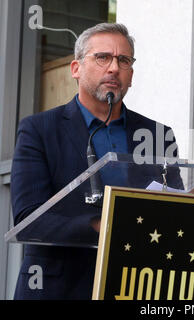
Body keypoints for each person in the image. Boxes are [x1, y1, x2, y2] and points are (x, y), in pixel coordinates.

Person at [10, 23, 183, 299]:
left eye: (123, 60)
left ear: (131, 75)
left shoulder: (157, 135)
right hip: (59, 288)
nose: (114, 68)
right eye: (102, 57)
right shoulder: (39, 130)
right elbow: (28, 219)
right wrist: (99, 226)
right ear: (76, 69)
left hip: (134, 286)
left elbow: (173, 208)